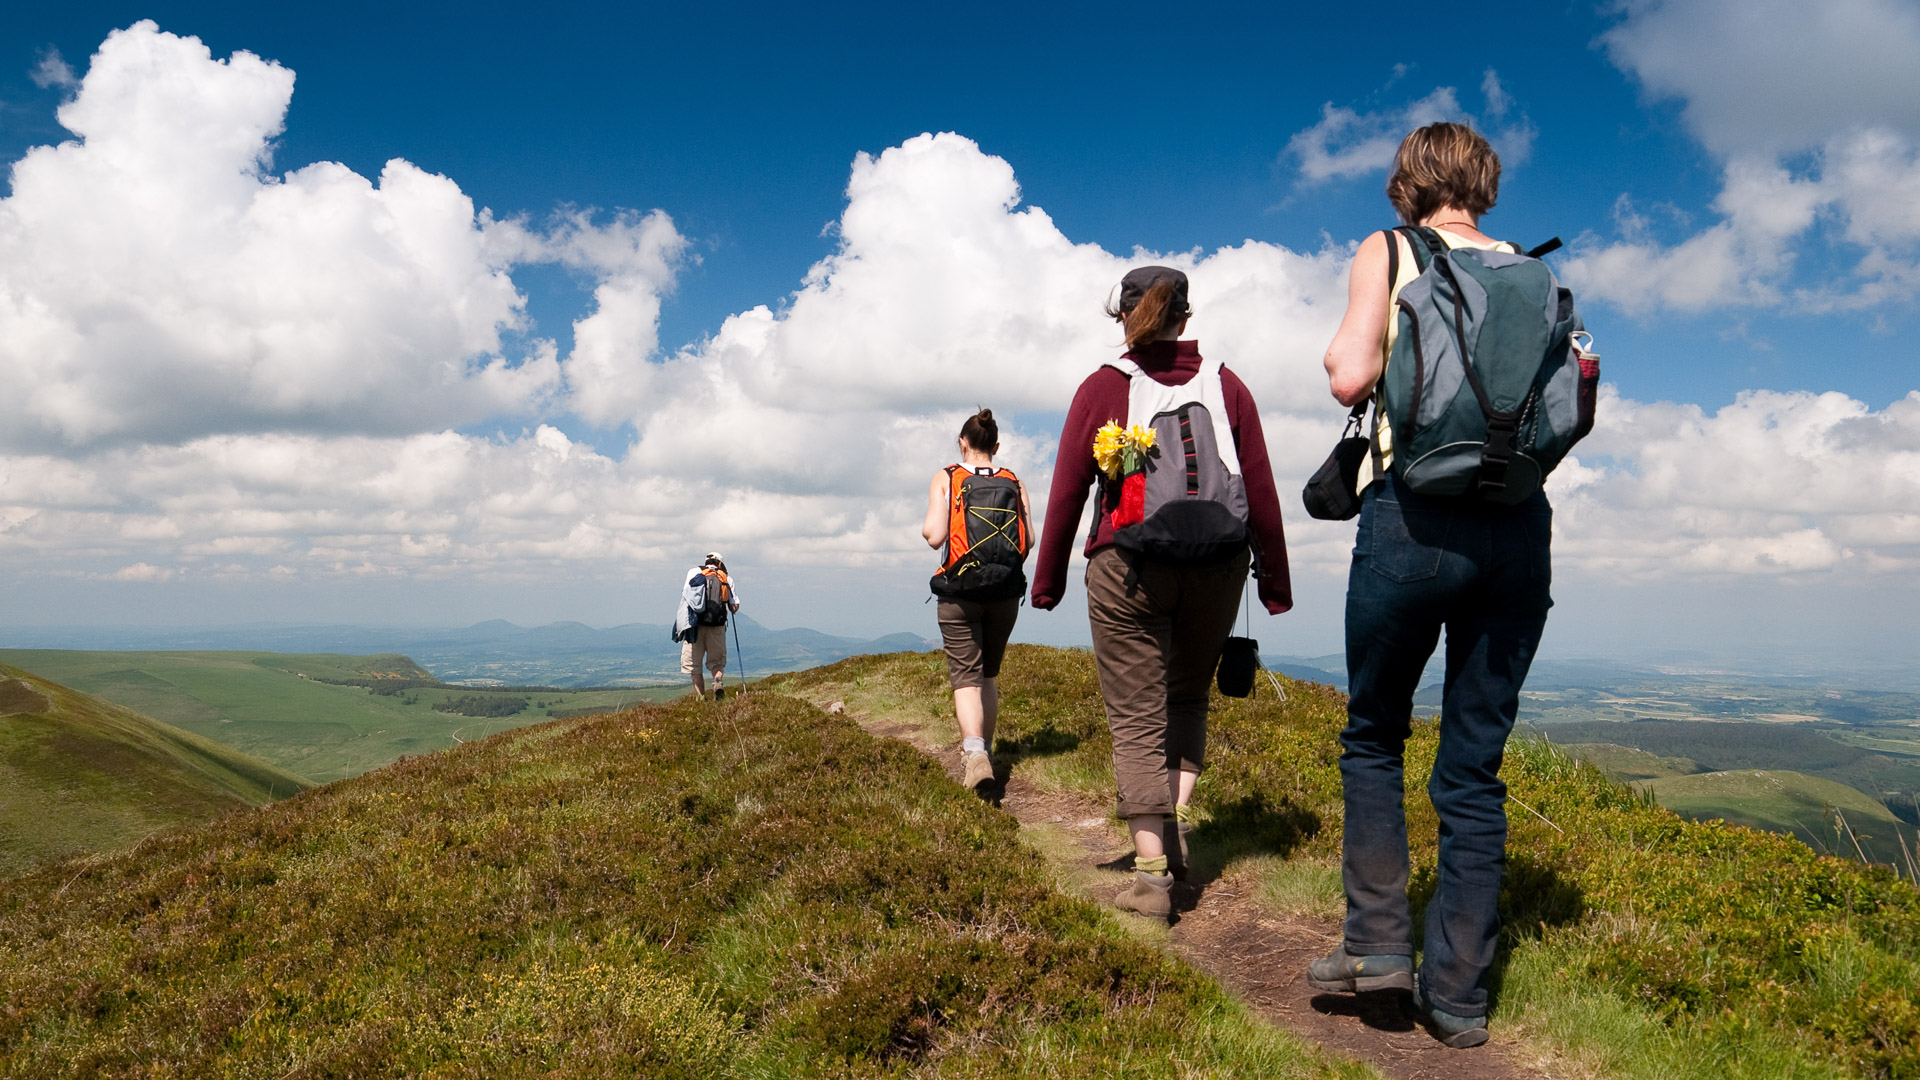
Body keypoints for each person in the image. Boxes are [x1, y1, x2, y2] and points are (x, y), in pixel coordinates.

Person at [1307, 121, 1557, 1049]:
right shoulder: (1530, 274)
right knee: (1474, 769)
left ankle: (1376, 945)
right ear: (1484, 182)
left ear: (1408, 181)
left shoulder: (1390, 249)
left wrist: (1344, 356)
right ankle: (1458, 997)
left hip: (1412, 520)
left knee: (1374, 735)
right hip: (1517, 534)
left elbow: (1351, 376)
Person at [1032, 265, 1292, 922]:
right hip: (1221, 563)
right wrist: (1276, 583)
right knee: (1186, 697)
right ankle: (1175, 828)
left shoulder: (1104, 386)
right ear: (1186, 314)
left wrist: (1049, 579)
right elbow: (1259, 488)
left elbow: (1067, 488)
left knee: (1137, 716)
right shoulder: (1226, 383)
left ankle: (1151, 875)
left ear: (1123, 315)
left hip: (1127, 567)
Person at [921, 408, 1032, 793]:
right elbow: (1028, 540)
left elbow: (934, 535)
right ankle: (986, 750)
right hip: (1004, 593)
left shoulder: (947, 476)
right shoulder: (1013, 480)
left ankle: (975, 754)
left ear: (962, 443)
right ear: (996, 446)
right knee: (987, 675)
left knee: (965, 677)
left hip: (959, 593)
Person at [672, 552, 740, 700]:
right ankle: (717, 682)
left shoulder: (693, 572)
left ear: (706, 561)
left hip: (694, 626)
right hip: (717, 626)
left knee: (694, 666)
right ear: (720, 564)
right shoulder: (726, 578)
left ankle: (702, 699)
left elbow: (686, 595)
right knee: (717, 661)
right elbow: (734, 606)